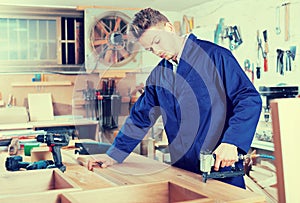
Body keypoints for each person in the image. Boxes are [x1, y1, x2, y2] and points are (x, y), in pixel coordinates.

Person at [88, 8, 262, 189]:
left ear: (169, 27)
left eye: (157, 41)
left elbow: (248, 99)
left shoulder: (216, 56)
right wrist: (113, 154)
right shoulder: (158, 76)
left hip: (221, 171)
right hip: (183, 173)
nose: (156, 50)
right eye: (149, 48)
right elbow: (140, 118)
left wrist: (232, 142)